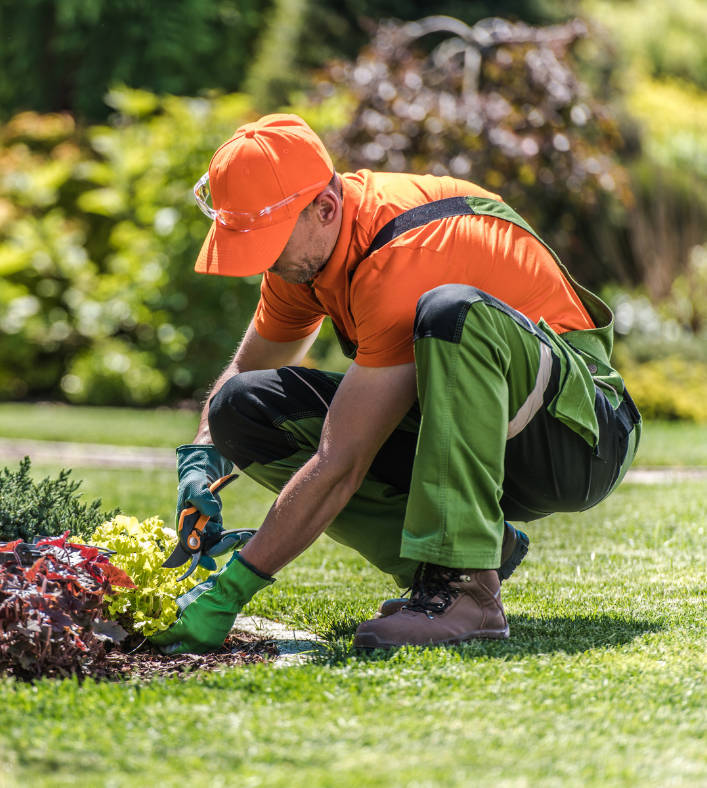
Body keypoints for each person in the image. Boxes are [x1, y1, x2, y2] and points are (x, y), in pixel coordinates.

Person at [149, 114, 641, 654]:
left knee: (453, 311)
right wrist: (201, 458)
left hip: (578, 438)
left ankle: (464, 587)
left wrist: (232, 589)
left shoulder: (404, 255)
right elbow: (243, 374)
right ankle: (466, 556)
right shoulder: (306, 259)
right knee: (238, 408)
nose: (259, 265)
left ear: (325, 208)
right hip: (487, 431)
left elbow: (341, 461)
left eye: (267, 245)